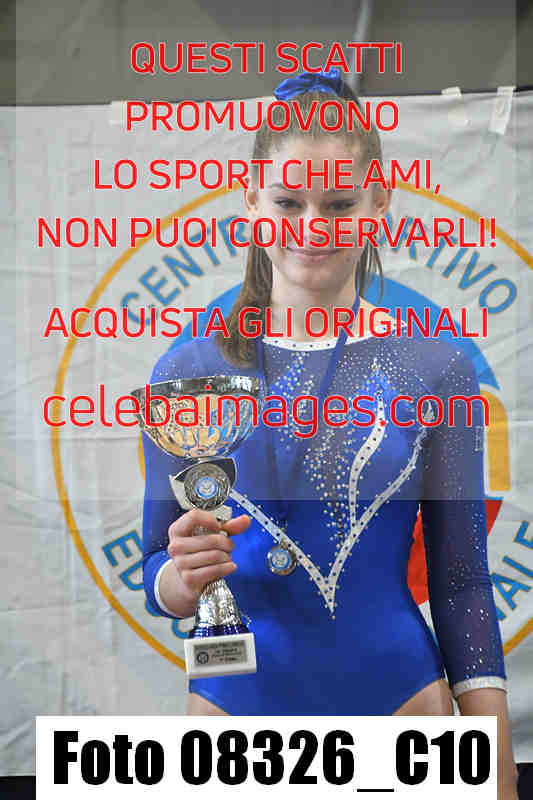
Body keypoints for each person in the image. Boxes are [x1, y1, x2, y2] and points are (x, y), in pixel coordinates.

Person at [141, 69, 518, 798]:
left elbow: (463, 583)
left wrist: (492, 759)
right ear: (252, 201)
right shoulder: (188, 372)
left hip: (401, 706)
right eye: (288, 202)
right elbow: (157, 563)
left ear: (378, 202)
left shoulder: (435, 369)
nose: (312, 226)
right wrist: (178, 580)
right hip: (232, 714)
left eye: (339, 203)